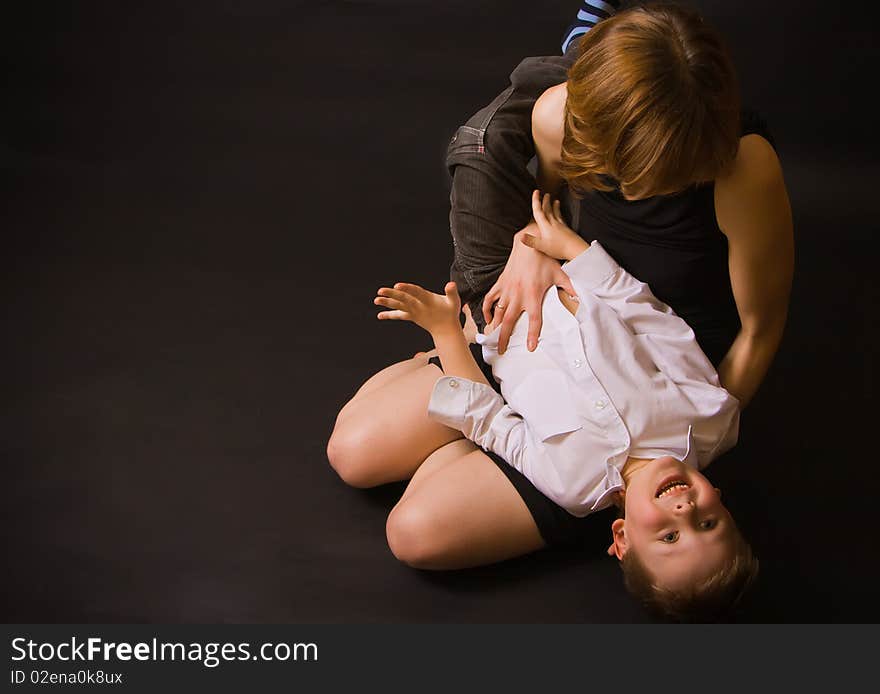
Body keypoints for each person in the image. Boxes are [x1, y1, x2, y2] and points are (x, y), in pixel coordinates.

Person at [327, 1, 792, 619]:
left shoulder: (741, 166)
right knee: (352, 454)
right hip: (583, 313)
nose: (687, 511)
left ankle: (485, 396)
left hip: (560, 388)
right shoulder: (559, 118)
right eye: (704, 520)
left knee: (417, 531)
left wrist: (578, 465)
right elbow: (550, 208)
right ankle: (461, 367)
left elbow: (761, 328)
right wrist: (536, 251)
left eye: (677, 530)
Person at [372, 189, 756, 621]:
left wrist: (444, 331)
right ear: (722, 502)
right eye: (708, 524)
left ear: (622, 538)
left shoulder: (572, 486)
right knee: (530, 141)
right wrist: (570, 250)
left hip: (491, 300)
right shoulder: (710, 421)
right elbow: (654, 321)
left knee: (478, 145)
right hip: (572, 265)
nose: (686, 512)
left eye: (668, 536)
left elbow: (492, 424)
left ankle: (444, 361)